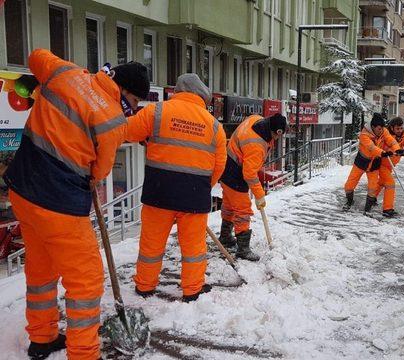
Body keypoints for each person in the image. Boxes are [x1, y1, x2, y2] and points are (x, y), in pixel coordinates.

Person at [3, 49, 149, 360]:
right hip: (59, 205)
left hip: (22, 191)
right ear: (125, 91)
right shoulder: (113, 122)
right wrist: (89, 178)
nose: (133, 109)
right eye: (135, 102)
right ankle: (84, 354)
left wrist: (41, 78)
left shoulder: (66, 72)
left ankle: (42, 338)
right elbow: (100, 171)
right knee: (86, 281)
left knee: (41, 268)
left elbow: (36, 56)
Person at [125, 74, 227, 303]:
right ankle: (192, 290)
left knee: (151, 244)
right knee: (193, 248)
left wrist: (148, 139)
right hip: (194, 197)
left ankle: (144, 286)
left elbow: (127, 132)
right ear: (203, 97)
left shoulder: (156, 112)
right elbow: (219, 166)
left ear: (177, 90)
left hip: (158, 193)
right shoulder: (214, 126)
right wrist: (201, 187)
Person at [218, 113, 287, 261]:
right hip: (234, 173)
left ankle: (225, 236)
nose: (277, 139)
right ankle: (243, 249)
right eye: (277, 136)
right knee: (243, 209)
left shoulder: (257, 119)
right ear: (276, 132)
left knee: (230, 205)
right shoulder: (257, 145)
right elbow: (249, 174)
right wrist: (260, 195)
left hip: (226, 165)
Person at [343, 113, 401, 213]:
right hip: (362, 162)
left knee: (372, 188)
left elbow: (391, 141)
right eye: (379, 129)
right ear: (373, 127)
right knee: (349, 185)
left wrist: (398, 150)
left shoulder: (383, 131)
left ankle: (367, 209)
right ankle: (349, 201)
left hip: (374, 163)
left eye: (382, 128)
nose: (381, 131)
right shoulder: (364, 135)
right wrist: (383, 153)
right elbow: (372, 148)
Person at [375, 117, 404, 217]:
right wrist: (397, 151)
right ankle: (387, 209)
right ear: (392, 128)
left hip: (390, 165)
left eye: (401, 128)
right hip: (381, 164)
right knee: (390, 183)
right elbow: (385, 148)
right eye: (397, 129)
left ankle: (372, 197)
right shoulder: (386, 136)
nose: (400, 131)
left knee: (382, 182)